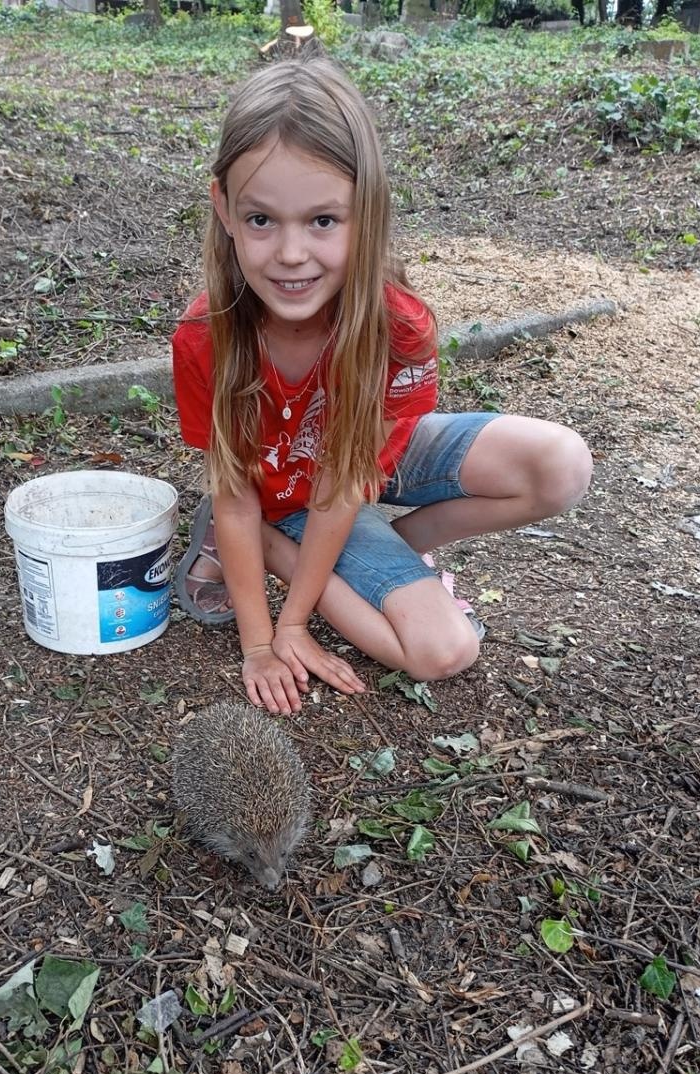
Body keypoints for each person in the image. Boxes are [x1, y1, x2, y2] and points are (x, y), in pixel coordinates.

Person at [171, 53, 591, 717]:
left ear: (367, 211)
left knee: (560, 464)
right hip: (281, 493)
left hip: (348, 474)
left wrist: (297, 620)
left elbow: (346, 483)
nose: (290, 253)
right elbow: (237, 493)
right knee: (441, 651)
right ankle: (278, 549)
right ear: (224, 207)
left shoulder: (399, 328)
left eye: (323, 220)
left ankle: (362, 557)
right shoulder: (206, 338)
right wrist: (265, 640)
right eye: (261, 220)